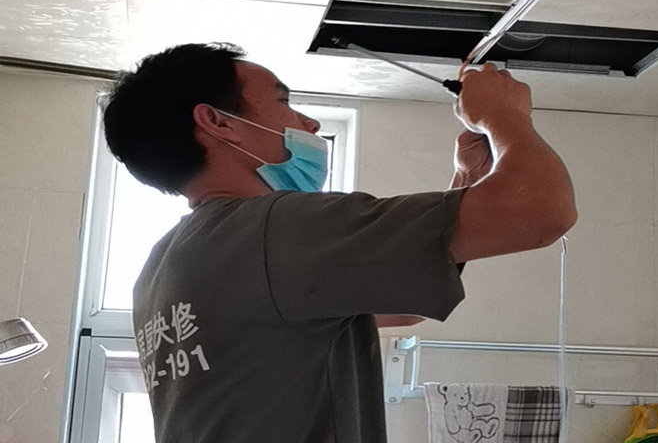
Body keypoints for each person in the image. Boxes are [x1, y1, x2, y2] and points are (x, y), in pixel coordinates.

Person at [102, 42, 577, 443]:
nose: (308, 124)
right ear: (218, 122)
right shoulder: (275, 229)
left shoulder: (163, 267)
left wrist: (468, 178)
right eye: (284, 102)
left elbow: (396, 304)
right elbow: (540, 210)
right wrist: (502, 115)